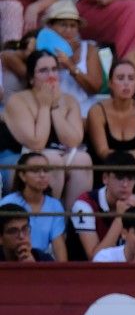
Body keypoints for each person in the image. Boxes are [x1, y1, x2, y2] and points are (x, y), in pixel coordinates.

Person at [2, 49, 92, 202]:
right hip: (16, 158)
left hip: (56, 154)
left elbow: (74, 141)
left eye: (54, 69)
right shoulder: (17, 100)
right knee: (51, 160)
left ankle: (72, 221)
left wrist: (55, 106)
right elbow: (36, 143)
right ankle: (48, 214)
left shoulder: (69, 101)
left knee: (83, 160)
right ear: (31, 78)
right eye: (43, 71)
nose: (51, 76)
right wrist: (45, 106)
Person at [85, 59, 135, 168]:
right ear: (110, 83)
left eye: (131, 78)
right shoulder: (97, 111)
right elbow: (103, 152)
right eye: (120, 78)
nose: (126, 83)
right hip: (107, 170)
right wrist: (131, 156)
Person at [0, 152, 68, 260]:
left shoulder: (55, 205)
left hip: (40, 260)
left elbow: (59, 248)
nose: (42, 175)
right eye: (35, 170)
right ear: (22, 175)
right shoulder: (7, 203)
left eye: (46, 170)